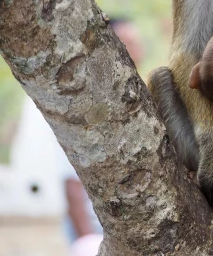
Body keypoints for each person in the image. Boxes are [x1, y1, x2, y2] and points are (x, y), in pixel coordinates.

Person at [58, 17, 145, 256]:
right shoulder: (86, 106)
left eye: (137, 44)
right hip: (96, 232)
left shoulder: (142, 99)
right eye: (127, 45)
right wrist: (87, 240)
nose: (136, 52)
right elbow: (71, 186)